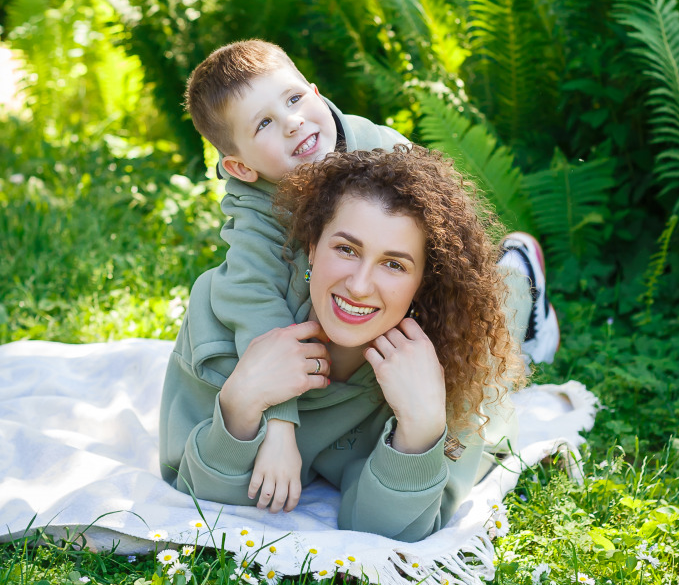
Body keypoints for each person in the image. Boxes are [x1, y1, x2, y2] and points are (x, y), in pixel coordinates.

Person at [182, 39, 559, 514]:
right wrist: (275, 419)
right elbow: (254, 300)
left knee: (489, 314)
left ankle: (516, 283)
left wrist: (424, 423)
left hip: (423, 305)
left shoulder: (383, 148)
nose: (293, 122)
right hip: (333, 328)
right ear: (240, 166)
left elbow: (447, 237)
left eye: (295, 100)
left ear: (315, 92)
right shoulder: (254, 212)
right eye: (264, 124)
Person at [159, 147, 536, 542]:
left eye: (395, 264)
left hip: (477, 322)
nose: (358, 286)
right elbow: (194, 492)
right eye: (346, 249)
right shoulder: (226, 306)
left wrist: (421, 427)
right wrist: (241, 401)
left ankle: (516, 275)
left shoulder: (455, 359)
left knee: (505, 316)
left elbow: (394, 531)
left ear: (423, 281)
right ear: (312, 247)